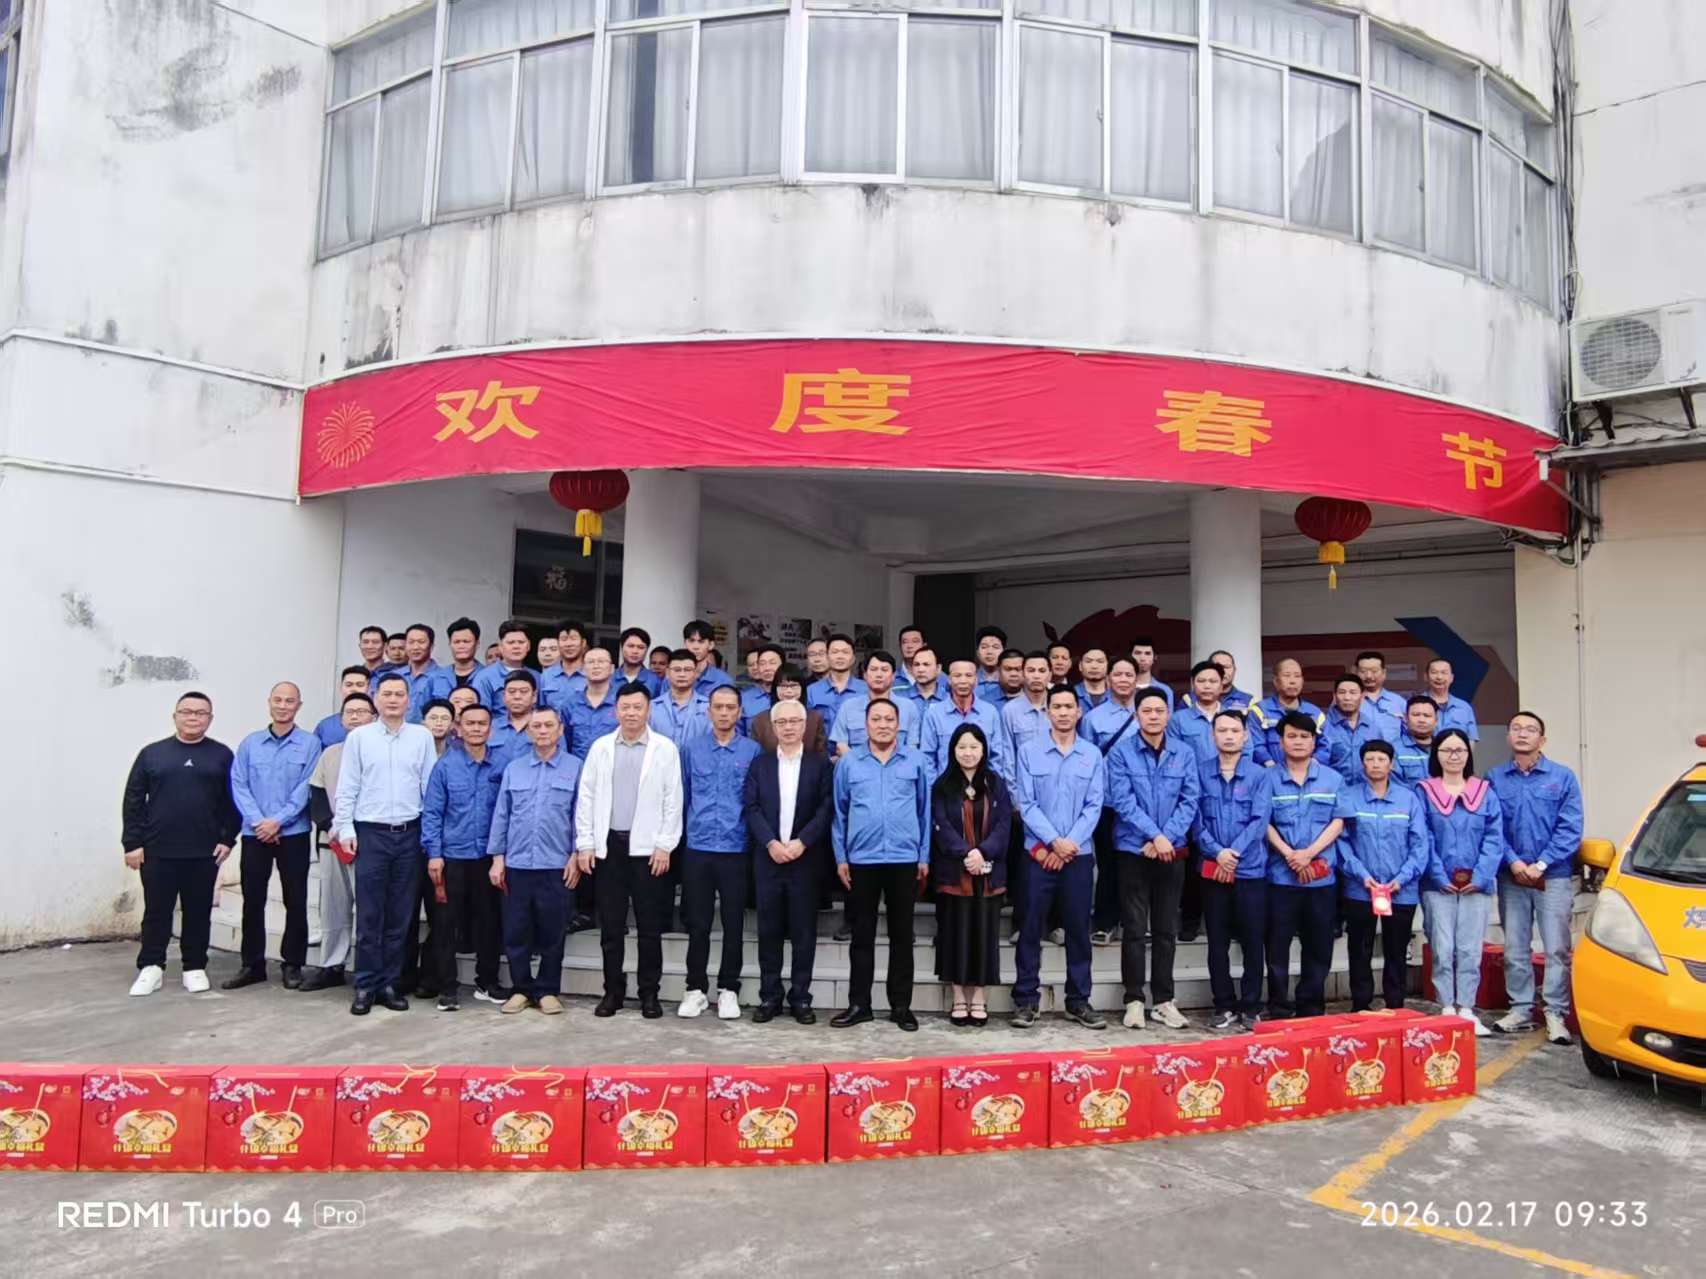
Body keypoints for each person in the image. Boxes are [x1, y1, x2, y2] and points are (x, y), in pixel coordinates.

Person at [572, 682, 684, 1019]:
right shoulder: (601, 747)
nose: (631, 713)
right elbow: (586, 796)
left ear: (648, 710)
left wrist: (665, 845)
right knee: (611, 927)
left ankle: (649, 993)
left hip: (648, 850)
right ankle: (613, 992)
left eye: (638, 707)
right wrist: (585, 843)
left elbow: (673, 799)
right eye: (625, 707)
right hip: (609, 848)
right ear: (615, 711)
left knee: (649, 928)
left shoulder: (665, 749)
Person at [121, 691, 239, 996]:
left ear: (210, 719)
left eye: (201, 713)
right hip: (157, 850)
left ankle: (194, 967)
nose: (193, 718)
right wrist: (132, 843)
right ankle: (151, 966)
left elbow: (233, 801)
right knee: (156, 911)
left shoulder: (222, 755)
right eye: (187, 712)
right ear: (175, 716)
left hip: (204, 852)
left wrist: (228, 838)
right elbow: (133, 800)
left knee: (198, 911)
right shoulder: (152, 754)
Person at [333, 672, 438, 1016]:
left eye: (399, 694)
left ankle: (390, 983)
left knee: (400, 916)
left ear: (409, 700)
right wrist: (344, 828)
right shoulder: (360, 738)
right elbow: (348, 786)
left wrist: (430, 835)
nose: (393, 700)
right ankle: (365, 984)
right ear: (376, 698)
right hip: (371, 833)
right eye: (387, 694)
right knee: (369, 914)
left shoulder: (421, 736)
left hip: (409, 833)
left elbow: (429, 787)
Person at [831, 699, 932, 1031]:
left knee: (902, 936)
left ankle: (901, 1006)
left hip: (904, 859)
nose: (883, 725)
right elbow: (839, 812)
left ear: (899, 725)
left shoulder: (915, 761)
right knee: (862, 936)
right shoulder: (849, 763)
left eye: (889, 719)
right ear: (866, 724)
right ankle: (859, 1004)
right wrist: (841, 857)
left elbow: (924, 811)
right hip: (862, 860)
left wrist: (923, 856)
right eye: (876, 719)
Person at [1012, 689, 1107, 1029]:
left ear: (1079, 712)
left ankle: (1078, 1000)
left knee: (1079, 929)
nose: (1063, 712)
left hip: (1078, 856)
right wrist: (1054, 842)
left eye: (1069, 707)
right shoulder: (1029, 751)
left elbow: (1094, 805)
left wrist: (1069, 844)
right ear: (1048, 712)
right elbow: (1026, 804)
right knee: (1030, 928)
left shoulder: (1091, 754)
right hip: (1039, 855)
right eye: (1057, 707)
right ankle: (1026, 999)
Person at [1106, 688, 1200, 1031]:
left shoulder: (1183, 753)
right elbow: (1123, 801)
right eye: (1147, 711)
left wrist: (1165, 838)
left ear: (1168, 714)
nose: (1154, 716)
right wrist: (1154, 836)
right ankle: (1133, 999)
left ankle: (1163, 1000)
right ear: (1137, 715)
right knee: (1134, 928)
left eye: (1160, 710)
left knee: (1165, 928)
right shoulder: (1121, 753)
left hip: (1170, 850)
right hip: (1133, 849)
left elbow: (1190, 800)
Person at [1489, 713, 1583, 1044]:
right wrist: (1514, 862)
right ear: (1508, 736)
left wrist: (1541, 864)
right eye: (1516, 728)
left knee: (1557, 948)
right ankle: (1521, 1009)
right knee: (1515, 946)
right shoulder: (1495, 777)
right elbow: (1492, 826)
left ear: (1542, 740)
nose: (1523, 734)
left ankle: (1555, 1012)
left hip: (1553, 876)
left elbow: (1570, 828)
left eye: (1531, 730)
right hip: (1512, 876)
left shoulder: (1563, 777)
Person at [224, 681, 321, 992]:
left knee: (296, 900)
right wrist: (259, 822)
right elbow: (239, 784)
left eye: (289, 701)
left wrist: (278, 821)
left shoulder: (310, 744)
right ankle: (252, 965)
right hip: (255, 834)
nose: (283, 706)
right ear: (269, 703)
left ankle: (293, 964)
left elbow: (306, 787)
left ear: (298, 706)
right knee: (253, 899)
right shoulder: (250, 744)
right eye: (278, 700)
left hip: (293, 833)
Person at [743, 700, 834, 1024]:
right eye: (782, 722)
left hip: (804, 860)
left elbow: (826, 808)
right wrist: (771, 842)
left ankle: (800, 998)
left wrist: (801, 842)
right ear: (773, 727)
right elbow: (751, 807)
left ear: (804, 725)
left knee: (803, 933)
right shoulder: (761, 764)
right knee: (768, 931)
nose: (789, 727)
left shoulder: (819, 765)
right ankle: (770, 997)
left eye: (795, 721)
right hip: (768, 858)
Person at [486, 706, 579, 1015]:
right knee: (516, 931)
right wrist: (497, 857)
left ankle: (548, 990)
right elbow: (502, 814)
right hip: (517, 864)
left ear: (560, 730)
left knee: (553, 931)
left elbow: (581, 814)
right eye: (536, 726)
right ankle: (521, 989)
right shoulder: (514, 769)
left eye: (548, 725)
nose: (542, 731)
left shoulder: (575, 767)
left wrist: (576, 854)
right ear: (528, 732)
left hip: (557, 864)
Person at [678, 686, 763, 1019]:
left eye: (730, 707)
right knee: (698, 922)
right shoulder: (692, 749)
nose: (724, 713)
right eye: (718, 707)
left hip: (736, 847)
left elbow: (755, 801)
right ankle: (695, 989)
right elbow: (684, 795)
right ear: (708, 711)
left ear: (740, 712)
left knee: (733, 923)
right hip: (698, 846)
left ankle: (729, 989)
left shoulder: (752, 751)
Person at [1419, 729, 1503, 1036]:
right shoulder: (1424, 791)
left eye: (1460, 750)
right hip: (1437, 886)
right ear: (1437, 754)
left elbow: (1494, 838)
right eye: (1447, 750)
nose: (1454, 756)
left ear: (1468, 755)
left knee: (1470, 949)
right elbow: (1423, 836)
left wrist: (1481, 877)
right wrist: (1438, 875)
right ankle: (1446, 1007)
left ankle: (1467, 1008)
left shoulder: (1485, 791)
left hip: (1476, 887)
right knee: (1442, 947)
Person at [422, 701, 505, 1010]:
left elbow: (507, 811)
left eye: (482, 724)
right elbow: (432, 813)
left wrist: (501, 854)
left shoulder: (501, 764)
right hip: (451, 857)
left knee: (489, 922)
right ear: (458, 728)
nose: (476, 729)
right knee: (446, 924)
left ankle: (488, 982)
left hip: (488, 857)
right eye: (470, 723)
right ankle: (447, 988)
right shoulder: (445, 766)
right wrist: (434, 854)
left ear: (490, 729)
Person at [930, 724, 1014, 1029]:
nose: (968, 753)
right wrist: (966, 853)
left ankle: (978, 996)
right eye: (962, 747)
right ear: (953, 750)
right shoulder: (942, 785)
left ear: (983, 750)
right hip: (955, 873)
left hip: (988, 875)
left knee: (984, 936)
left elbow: (1003, 825)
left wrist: (983, 853)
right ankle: (958, 997)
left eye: (974, 747)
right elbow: (940, 824)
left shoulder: (995, 783)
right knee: (954, 935)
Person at [1263, 713, 1346, 1020]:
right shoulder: (1267, 779)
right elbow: (1263, 822)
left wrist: (1309, 853)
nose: (1298, 742)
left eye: (1304, 736)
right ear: (1281, 741)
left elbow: (1338, 821)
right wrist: (1290, 855)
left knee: (1319, 944)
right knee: (1277, 945)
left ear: (1314, 742)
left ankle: (1311, 1005)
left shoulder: (1333, 779)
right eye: (1292, 736)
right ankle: (1278, 1005)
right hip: (1281, 877)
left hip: (1320, 878)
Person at [1194, 709, 1273, 1031]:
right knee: (1217, 942)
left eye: (1234, 731)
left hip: (1250, 869)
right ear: (1212, 735)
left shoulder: (1260, 775)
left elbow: (1259, 820)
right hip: (1213, 869)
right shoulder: (1200, 772)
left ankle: (1251, 1005)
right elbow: (1195, 818)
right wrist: (1218, 852)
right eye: (1222, 730)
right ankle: (1223, 1004)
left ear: (1245, 735)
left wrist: (1233, 853)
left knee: (1253, 940)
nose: (1228, 736)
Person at [1337, 741, 1428, 1013]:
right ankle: (1361, 1004)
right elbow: (1342, 842)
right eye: (1370, 759)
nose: (1375, 764)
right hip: (1360, 889)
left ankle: (1395, 1005)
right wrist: (1361, 875)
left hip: (1401, 890)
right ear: (1362, 764)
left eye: (1381, 759)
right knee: (1359, 949)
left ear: (1391, 764)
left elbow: (1420, 843)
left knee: (1397, 950)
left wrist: (1402, 877)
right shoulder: (1349, 796)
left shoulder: (1408, 799)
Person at [302, 692, 375, 992]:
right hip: (332, 841)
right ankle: (332, 965)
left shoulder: (383, 751)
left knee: (370, 908)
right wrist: (333, 827)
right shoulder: (330, 753)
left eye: (362, 711)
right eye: (349, 712)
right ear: (342, 719)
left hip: (371, 842)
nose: (355, 716)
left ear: (374, 717)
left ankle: (369, 971)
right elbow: (317, 794)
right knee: (333, 906)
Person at [1084, 656, 1141, 944]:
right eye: (1117, 674)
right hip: (1106, 802)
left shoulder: (1147, 712)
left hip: (1139, 802)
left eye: (1128, 674)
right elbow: (1086, 762)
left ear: (1136, 679)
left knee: (1136, 863)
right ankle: (1104, 923)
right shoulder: (1093, 718)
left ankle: (1135, 924)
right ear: (1108, 679)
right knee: (1107, 863)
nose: (1123, 679)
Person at [920, 658, 1008, 781]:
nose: (963, 680)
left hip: (981, 788)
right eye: (957, 676)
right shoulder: (934, 714)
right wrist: (935, 789)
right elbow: (927, 758)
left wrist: (993, 787)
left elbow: (996, 757)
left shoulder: (990, 712)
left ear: (976, 680)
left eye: (968, 675)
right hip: (947, 788)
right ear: (949, 680)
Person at [831, 650, 921, 756]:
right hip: (857, 765)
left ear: (893, 676)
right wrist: (861, 764)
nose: (879, 674)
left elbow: (912, 748)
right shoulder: (848, 707)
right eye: (873, 669)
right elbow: (841, 746)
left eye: (884, 670)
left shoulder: (908, 707)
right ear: (865, 675)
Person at [1248, 658, 1328, 767]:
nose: (1292, 681)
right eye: (1287, 675)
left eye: (1297, 676)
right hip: (1268, 773)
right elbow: (1256, 746)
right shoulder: (1259, 711)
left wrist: (1308, 769)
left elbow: (1325, 747)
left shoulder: (1316, 714)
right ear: (1276, 681)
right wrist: (1273, 770)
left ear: (1302, 681)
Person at [1323, 674, 1395, 777]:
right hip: (1332, 786)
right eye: (1342, 692)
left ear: (1362, 696)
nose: (1347, 697)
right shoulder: (1322, 726)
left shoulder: (1373, 729)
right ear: (1334, 696)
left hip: (1366, 786)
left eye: (1353, 692)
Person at [749, 664, 828, 754]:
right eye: (783, 686)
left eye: (794, 686)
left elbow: (821, 754)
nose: (789, 691)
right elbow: (755, 754)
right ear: (775, 689)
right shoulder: (761, 720)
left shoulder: (814, 718)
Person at [562, 645, 619, 760]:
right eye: (591, 662)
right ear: (583, 669)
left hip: (612, 765)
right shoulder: (570, 704)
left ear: (612, 668)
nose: (596, 666)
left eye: (601, 661)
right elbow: (564, 741)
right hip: (579, 766)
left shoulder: (621, 702)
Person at [650, 649, 713, 745]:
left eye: (687, 670)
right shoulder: (652, 707)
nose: (682, 674)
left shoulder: (708, 707)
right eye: (677, 670)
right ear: (667, 672)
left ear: (696, 673)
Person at [806, 633, 866, 729]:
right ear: (827, 656)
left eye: (845, 652)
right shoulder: (812, 690)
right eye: (835, 652)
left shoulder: (866, 689)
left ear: (853, 658)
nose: (840, 656)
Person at [488, 669, 541, 774]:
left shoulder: (547, 727)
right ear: (504, 696)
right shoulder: (491, 727)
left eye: (523, 692)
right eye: (511, 692)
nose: (517, 697)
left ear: (534, 696)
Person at [472, 620, 533, 709]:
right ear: (500, 646)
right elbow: (480, 713)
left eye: (521, 642)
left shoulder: (537, 677)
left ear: (528, 646)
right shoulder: (485, 677)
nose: (516, 646)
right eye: (511, 642)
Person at [314, 666, 371, 749]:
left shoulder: (378, 722)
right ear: (341, 687)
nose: (354, 689)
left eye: (360, 685)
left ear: (369, 688)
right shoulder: (325, 726)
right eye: (349, 685)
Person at [539, 618, 588, 712]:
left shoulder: (591, 674)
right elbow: (540, 709)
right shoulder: (547, 676)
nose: (568, 644)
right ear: (558, 643)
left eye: (573, 638)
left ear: (583, 643)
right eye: (564, 639)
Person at [1424, 658, 1478, 741]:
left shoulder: (1464, 707)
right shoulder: (1415, 705)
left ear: (1451, 678)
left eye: (1444, 673)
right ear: (1426, 677)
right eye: (1434, 672)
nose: (1439, 677)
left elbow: (1471, 739)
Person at [1393, 696, 1439, 785]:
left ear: (1436, 720)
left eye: (1427, 716)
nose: (1421, 720)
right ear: (1406, 718)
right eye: (1416, 715)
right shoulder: (1394, 749)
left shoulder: (1445, 748)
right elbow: (1395, 785)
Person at [400, 623, 442, 718]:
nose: (415, 647)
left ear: (431, 646)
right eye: (411, 642)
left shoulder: (441, 677)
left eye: (421, 642)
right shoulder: (396, 675)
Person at [740, 644, 785, 732]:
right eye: (762, 663)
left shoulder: (794, 694)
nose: (767, 668)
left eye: (772, 663)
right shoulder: (744, 698)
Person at [684, 620, 734, 696]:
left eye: (701, 641)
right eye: (691, 641)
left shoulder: (723, 680)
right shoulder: (673, 676)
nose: (696, 647)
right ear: (685, 643)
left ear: (711, 645)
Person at [1355, 650, 1407, 722]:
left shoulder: (1398, 702)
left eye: (1374, 671)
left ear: (1384, 673)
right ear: (1356, 673)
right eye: (1363, 671)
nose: (1368, 676)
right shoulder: (1350, 701)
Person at [617, 626, 665, 697]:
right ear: (622, 647)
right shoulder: (609, 679)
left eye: (641, 647)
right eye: (631, 646)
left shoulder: (657, 682)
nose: (635, 651)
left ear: (646, 650)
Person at [1129, 637, 1174, 710]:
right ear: (1130, 656)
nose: (1142, 658)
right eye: (1138, 653)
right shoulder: (1122, 687)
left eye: (1147, 653)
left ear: (1155, 657)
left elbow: (1168, 716)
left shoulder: (1165, 690)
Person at [905, 646, 948, 712]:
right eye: (916, 664)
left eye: (926, 664)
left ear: (938, 668)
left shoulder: (949, 700)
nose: (920, 669)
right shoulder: (901, 698)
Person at [973, 625, 1007, 701]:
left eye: (995, 647)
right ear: (977, 652)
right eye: (984, 647)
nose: (989, 652)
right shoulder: (968, 681)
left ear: (1004, 652)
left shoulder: (1010, 682)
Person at [894, 624, 926, 692]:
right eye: (905, 642)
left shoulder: (940, 677)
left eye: (915, 641)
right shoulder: (891, 678)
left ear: (924, 646)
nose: (909, 646)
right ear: (900, 646)